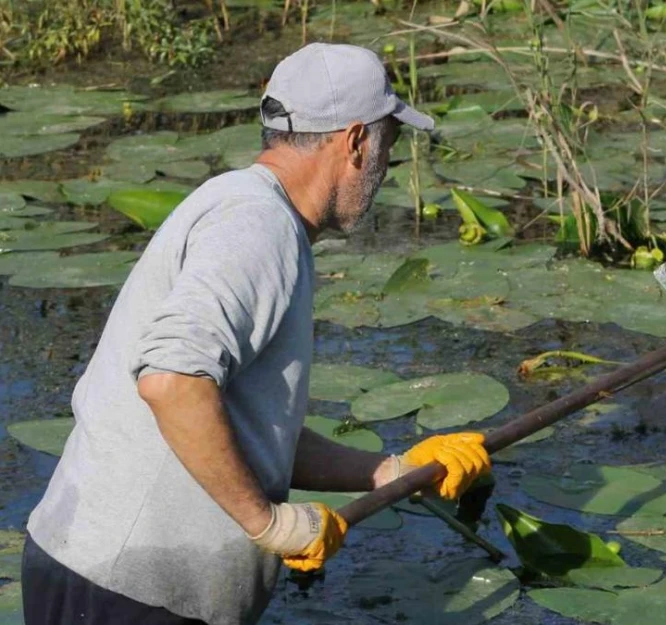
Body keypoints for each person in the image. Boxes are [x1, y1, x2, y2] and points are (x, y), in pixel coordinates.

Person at [20, 42, 492, 625]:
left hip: (108, 578)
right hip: (127, 593)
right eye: (388, 145)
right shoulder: (257, 225)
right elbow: (172, 381)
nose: (386, 166)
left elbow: (247, 427)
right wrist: (266, 523)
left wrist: (391, 473)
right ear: (354, 141)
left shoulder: (253, 211)